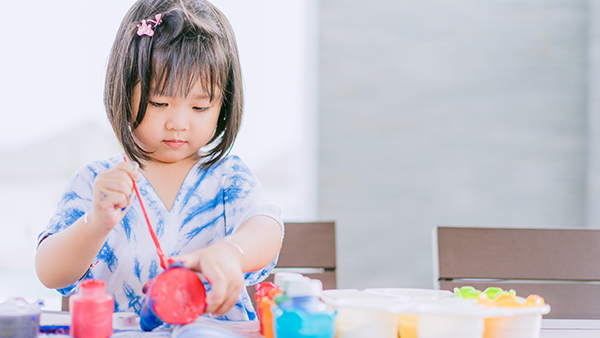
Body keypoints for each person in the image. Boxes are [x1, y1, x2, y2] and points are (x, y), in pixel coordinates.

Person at [35, 0, 283, 321]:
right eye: (159, 102)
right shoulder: (98, 182)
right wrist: (95, 224)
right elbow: (49, 272)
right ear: (124, 92)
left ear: (224, 103)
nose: (178, 122)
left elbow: (266, 227)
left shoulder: (228, 177)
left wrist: (231, 253)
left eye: (200, 108)